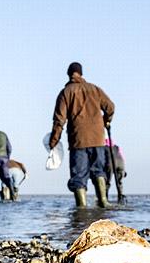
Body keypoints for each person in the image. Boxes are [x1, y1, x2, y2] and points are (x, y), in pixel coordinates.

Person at [48, 62, 115, 207]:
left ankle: (81, 208)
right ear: (81, 73)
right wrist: (106, 121)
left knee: (78, 175)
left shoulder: (66, 92)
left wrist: (53, 141)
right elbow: (110, 107)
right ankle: (103, 201)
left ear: (68, 74)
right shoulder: (95, 89)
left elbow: (59, 120)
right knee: (99, 171)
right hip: (98, 139)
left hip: (78, 140)